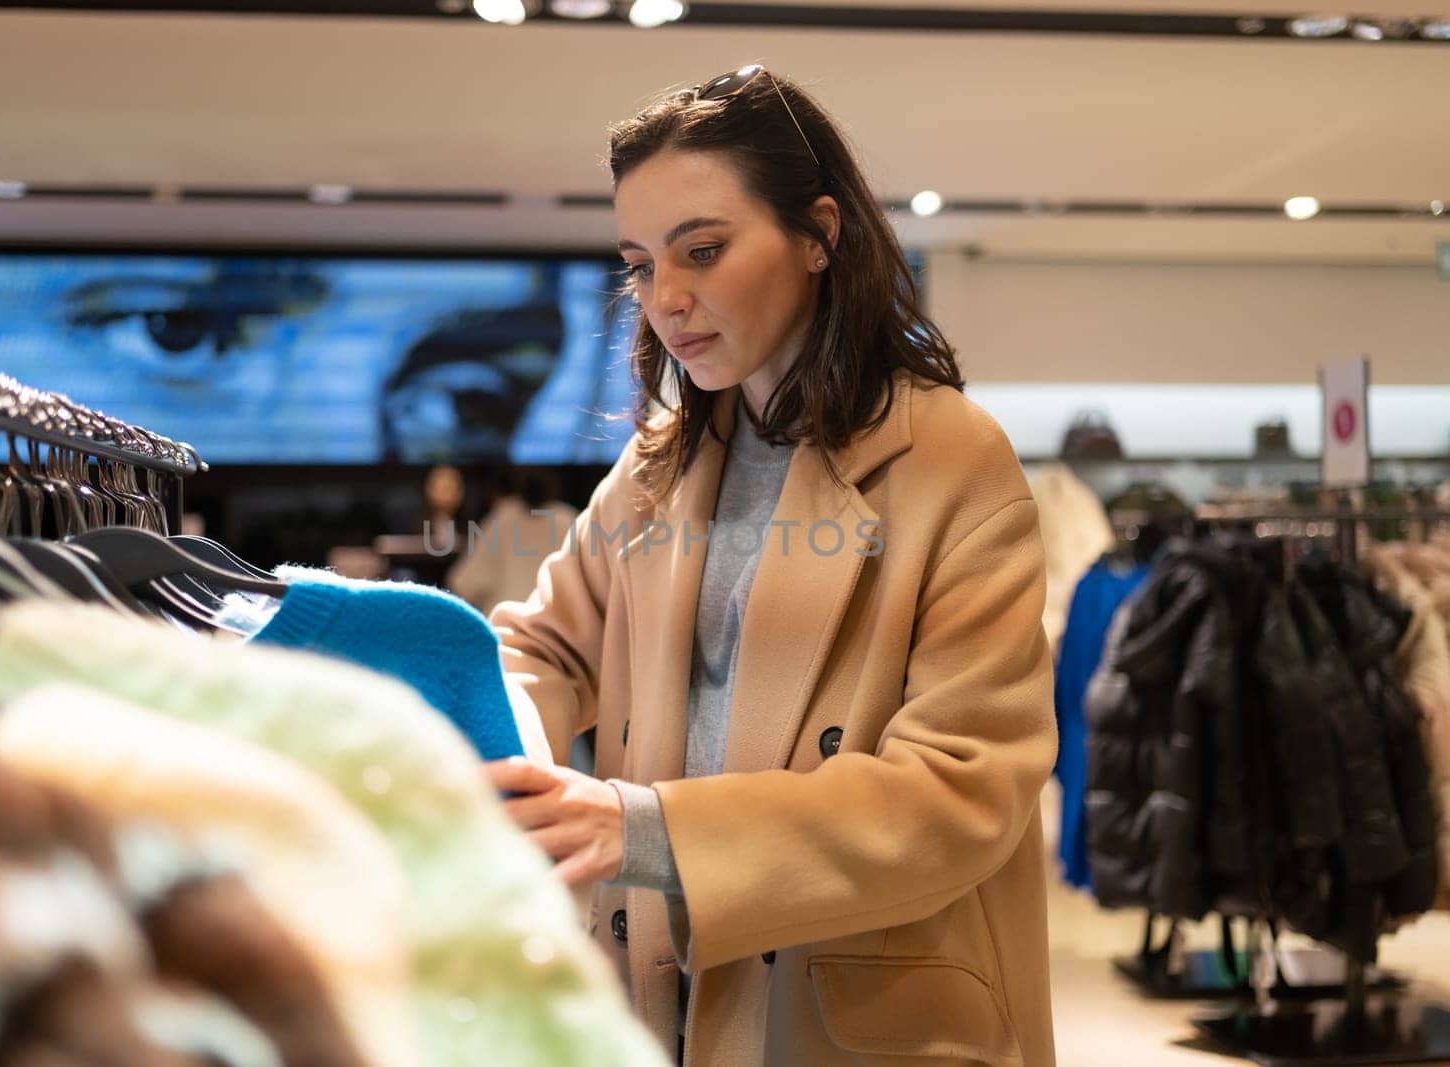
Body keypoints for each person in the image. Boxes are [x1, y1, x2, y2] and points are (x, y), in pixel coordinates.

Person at [487, 65, 1056, 1067]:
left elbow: (963, 792)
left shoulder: (955, 460)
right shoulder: (660, 461)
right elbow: (540, 641)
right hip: (659, 989)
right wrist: (500, 744)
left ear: (818, 234)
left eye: (702, 249)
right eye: (638, 262)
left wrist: (643, 827)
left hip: (860, 1008)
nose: (664, 298)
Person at [447, 470, 580, 616]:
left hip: (505, 627)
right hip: (557, 629)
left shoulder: (503, 518)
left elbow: (464, 584)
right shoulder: (568, 519)